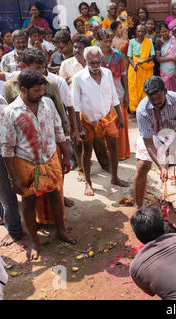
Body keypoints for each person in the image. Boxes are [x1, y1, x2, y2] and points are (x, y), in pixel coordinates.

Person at [0, 69, 77, 260]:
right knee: (28, 202)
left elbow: (58, 128)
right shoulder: (9, 113)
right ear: (23, 90)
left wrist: (66, 155)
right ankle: (34, 241)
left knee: (55, 195)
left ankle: (61, 230)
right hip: (25, 162)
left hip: (50, 157)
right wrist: (13, 177)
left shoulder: (48, 103)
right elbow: (7, 148)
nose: (41, 94)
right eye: (36, 91)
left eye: (42, 89)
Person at [134, 76, 176, 220]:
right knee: (142, 167)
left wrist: (171, 151)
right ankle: (139, 208)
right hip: (152, 136)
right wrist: (162, 166)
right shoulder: (142, 110)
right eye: (153, 101)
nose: (157, 103)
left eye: (159, 99)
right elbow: (148, 143)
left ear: (165, 91)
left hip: (174, 132)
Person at [71, 46, 129, 196]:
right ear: (86, 60)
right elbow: (75, 105)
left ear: (101, 59)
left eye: (98, 62)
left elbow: (113, 97)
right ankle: (88, 183)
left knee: (113, 147)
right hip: (88, 120)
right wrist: (78, 127)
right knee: (87, 151)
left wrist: (120, 117)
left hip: (107, 118)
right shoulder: (78, 78)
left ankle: (115, 177)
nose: (95, 65)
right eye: (92, 62)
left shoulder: (108, 73)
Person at [59, 35, 110, 181]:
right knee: (79, 139)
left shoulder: (94, 63)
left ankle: (105, 164)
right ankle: (82, 169)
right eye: (74, 47)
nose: (76, 50)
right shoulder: (66, 64)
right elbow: (61, 86)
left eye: (79, 48)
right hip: (73, 108)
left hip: (93, 106)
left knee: (99, 137)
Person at [0, 83, 24, 246]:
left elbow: (0, 133)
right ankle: (5, 219)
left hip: (0, 153)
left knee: (4, 193)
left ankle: (15, 229)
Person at [98, 29, 130, 162]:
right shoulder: (94, 56)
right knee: (103, 127)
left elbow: (124, 77)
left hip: (118, 96)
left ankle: (121, 153)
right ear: (99, 41)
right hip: (100, 99)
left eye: (110, 41)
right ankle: (106, 155)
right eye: (105, 41)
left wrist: (127, 95)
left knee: (120, 126)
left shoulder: (117, 55)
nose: (108, 43)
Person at [127, 24, 154, 114]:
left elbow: (152, 56)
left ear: (145, 32)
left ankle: (145, 108)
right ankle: (135, 109)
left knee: (146, 88)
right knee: (134, 88)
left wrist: (143, 61)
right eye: (138, 31)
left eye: (142, 31)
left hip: (146, 68)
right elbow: (129, 56)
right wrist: (134, 65)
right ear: (136, 32)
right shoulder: (131, 42)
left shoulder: (149, 41)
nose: (140, 33)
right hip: (134, 68)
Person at [155, 23, 176, 94]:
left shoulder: (174, 39)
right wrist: (172, 58)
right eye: (162, 32)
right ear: (159, 33)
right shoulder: (158, 42)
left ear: (169, 31)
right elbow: (157, 58)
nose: (164, 33)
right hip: (165, 70)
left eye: (165, 31)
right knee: (167, 90)